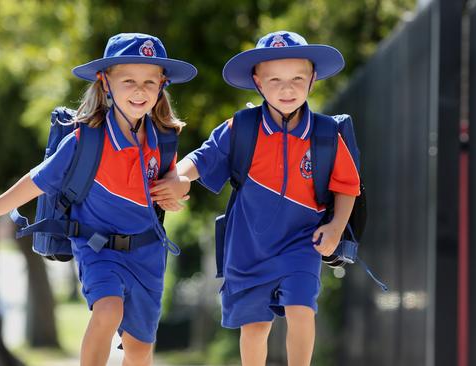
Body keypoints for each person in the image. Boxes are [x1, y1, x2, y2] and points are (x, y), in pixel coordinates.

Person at [0, 33, 196, 366]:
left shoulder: (164, 139)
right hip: (97, 247)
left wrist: (180, 187)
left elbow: (175, 182)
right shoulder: (84, 140)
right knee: (108, 310)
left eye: (149, 81)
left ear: (162, 85)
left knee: (139, 348)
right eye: (128, 80)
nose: (140, 90)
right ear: (105, 83)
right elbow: (37, 179)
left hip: (148, 253)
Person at [153, 30, 360, 366]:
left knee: (301, 310)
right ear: (258, 82)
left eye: (297, 77)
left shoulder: (325, 135)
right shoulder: (242, 127)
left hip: (301, 242)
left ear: (312, 79)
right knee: (255, 326)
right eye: (275, 79)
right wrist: (177, 177)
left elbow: (347, 185)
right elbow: (203, 157)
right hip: (248, 246)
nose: (287, 87)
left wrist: (336, 226)